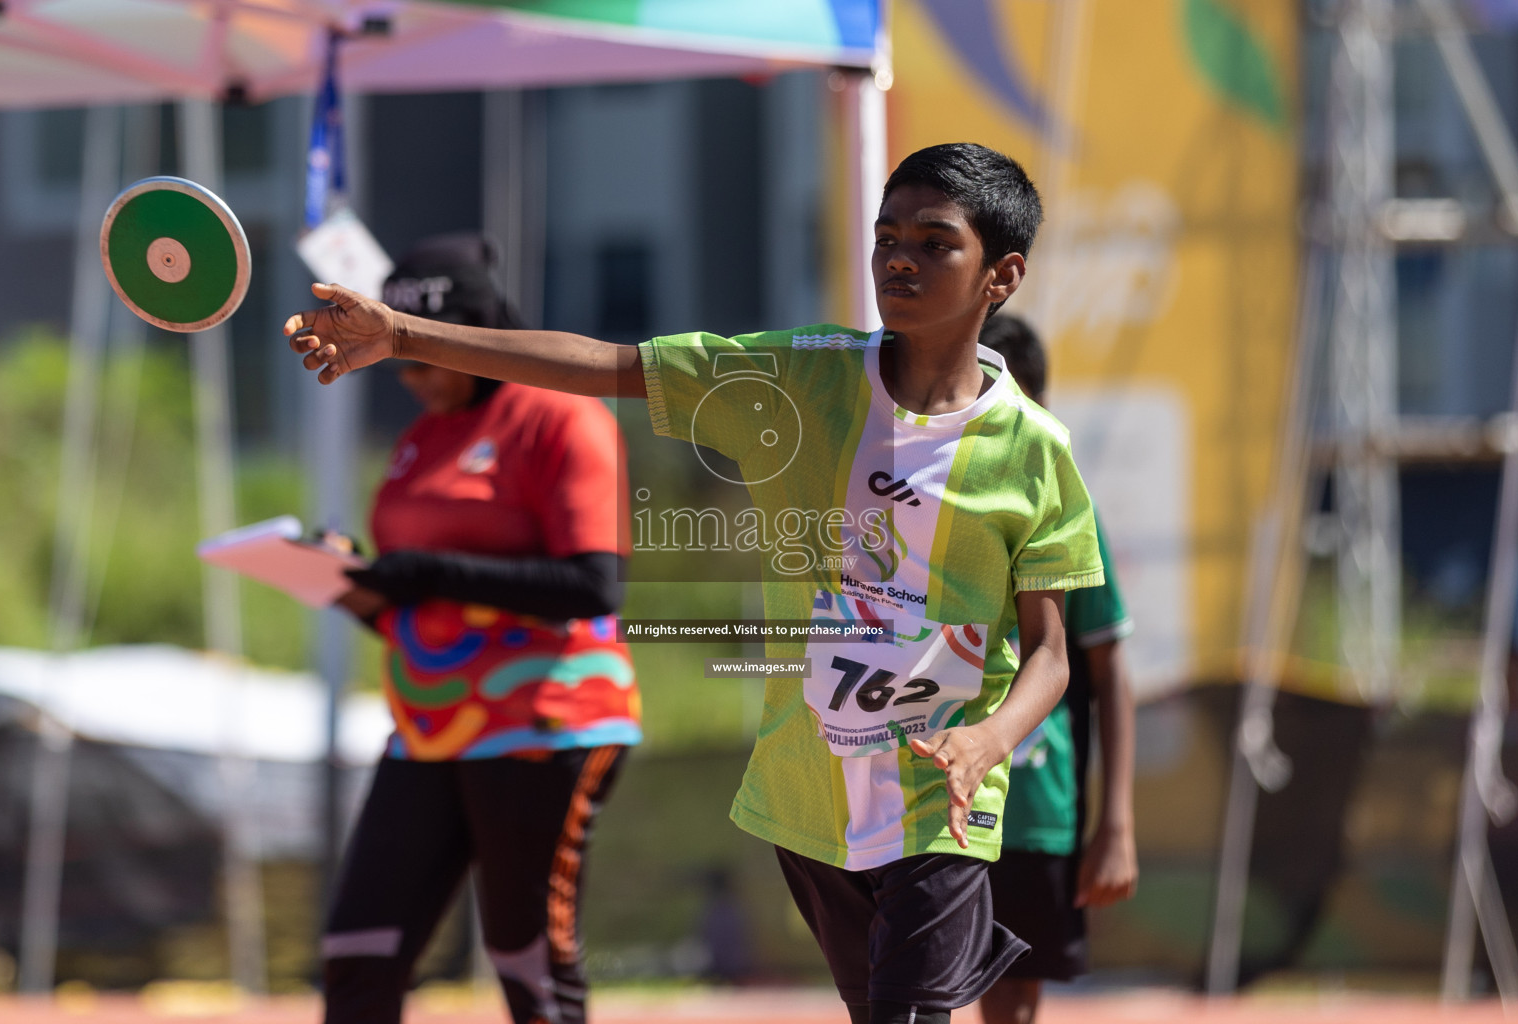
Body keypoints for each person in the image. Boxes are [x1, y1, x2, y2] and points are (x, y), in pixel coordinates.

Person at [286, 143, 1103, 1024]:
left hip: (943, 805)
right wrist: (402, 335)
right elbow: (607, 365)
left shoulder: (1035, 453)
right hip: (810, 794)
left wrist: (987, 741)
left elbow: (1052, 654)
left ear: (1001, 275)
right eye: (884, 236)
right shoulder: (800, 376)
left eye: (935, 242)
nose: (898, 257)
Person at [318, 234, 638, 1024]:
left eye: (424, 357)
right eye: (403, 363)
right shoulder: (424, 434)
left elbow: (592, 586)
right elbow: (422, 610)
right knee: (357, 953)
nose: (414, 378)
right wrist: (351, 582)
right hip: (427, 726)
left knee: (526, 958)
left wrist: (432, 570)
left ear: (469, 332)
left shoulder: (561, 415)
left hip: (544, 721)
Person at [974, 314, 1138, 1024]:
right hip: (928, 800)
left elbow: (1109, 673)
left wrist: (1116, 823)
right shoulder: (919, 507)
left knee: (1013, 993)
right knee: (919, 981)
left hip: (1034, 809)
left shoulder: (1067, 511)